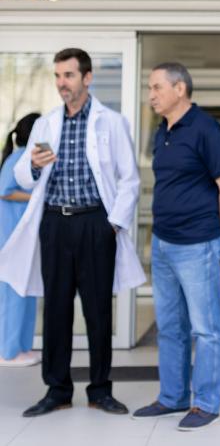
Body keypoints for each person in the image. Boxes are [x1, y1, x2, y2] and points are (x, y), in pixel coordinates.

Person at [0, 48, 145, 417]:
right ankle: (57, 389)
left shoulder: (111, 122)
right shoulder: (45, 124)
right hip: (54, 224)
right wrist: (31, 165)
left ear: (87, 78)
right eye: (58, 76)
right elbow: (21, 179)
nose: (61, 83)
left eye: (68, 75)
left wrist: (113, 224)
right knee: (57, 311)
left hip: (95, 223)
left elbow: (130, 180)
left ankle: (100, 390)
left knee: (97, 311)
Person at [132, 63, 220, 432]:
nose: (151, 94)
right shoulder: (162, 131)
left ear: (180, 89)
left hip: (198, 244)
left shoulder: (204, 128)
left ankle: (205, 403)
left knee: (206, 329)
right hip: (163, 244)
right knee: (169, 327)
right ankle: (172, 396)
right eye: (150, 88)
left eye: (157, 87)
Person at [0, 113, 41, 367]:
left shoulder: (28, 159)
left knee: (27, 291)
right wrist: (36, 198)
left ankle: (22, 347)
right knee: (12, 293)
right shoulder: (18, 158)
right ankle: (8, 351)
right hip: (10, 237)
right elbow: (4, 191)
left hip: (23, 237)